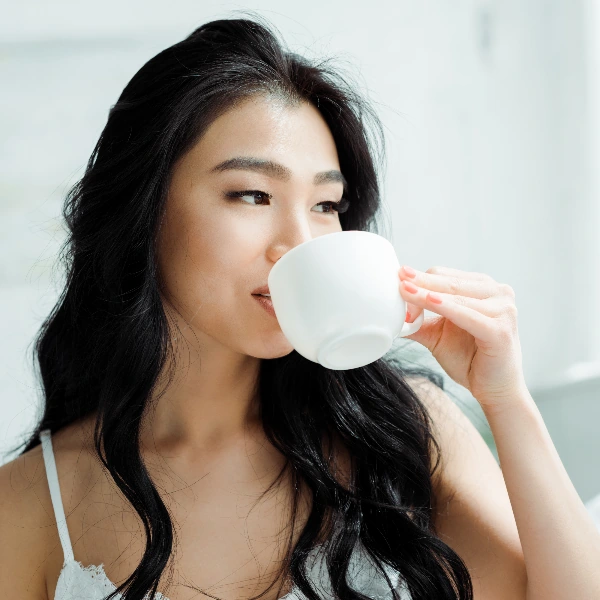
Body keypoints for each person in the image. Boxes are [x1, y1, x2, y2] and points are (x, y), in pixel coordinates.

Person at [1, 11, 599, 600]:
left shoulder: (405, 435)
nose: (300, 244)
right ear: (144, 212)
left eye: (325, 204)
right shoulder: (33, 503)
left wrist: (506, 398)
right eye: (253, 195)